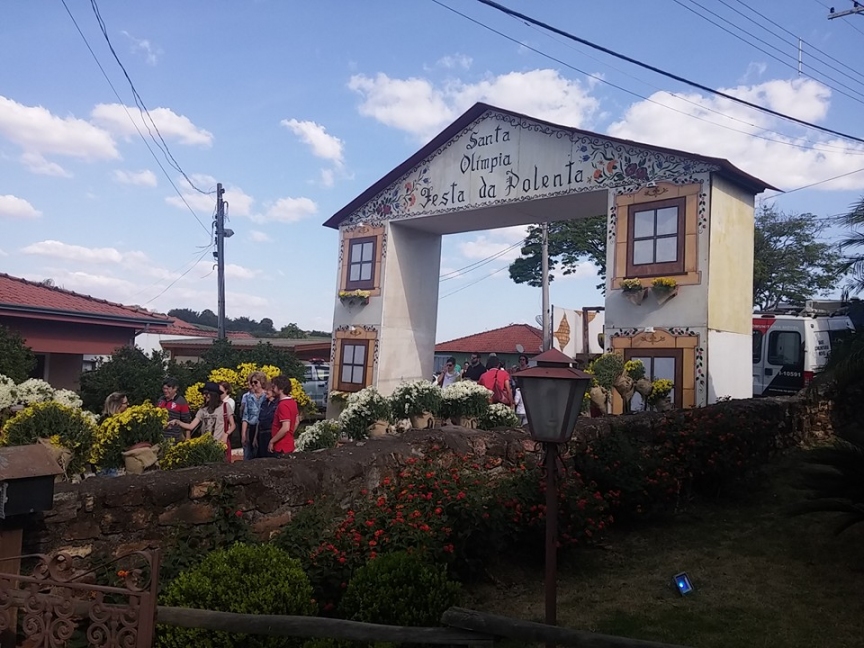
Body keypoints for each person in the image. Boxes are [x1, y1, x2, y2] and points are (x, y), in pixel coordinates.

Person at [169, 381, 236, 462]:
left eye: (206, 393)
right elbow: (191, 426)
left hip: (220, 445)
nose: (204, 396)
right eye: (203, 394)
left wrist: (226, 434)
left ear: (213, 394)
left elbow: (233, 425)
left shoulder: (225, 406)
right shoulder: (203, 410)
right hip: (206, 447)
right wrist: (178, 422)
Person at [240, 371, 267, 461]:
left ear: (261, 382)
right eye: (252, 382)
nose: (253, 384)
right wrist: (243, 434)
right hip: (251, 427)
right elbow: (245, 417)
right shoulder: (248, 397)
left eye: (255, 382)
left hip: (262, 428)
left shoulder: (266, 396)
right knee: (249, 456)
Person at [269, 375, 298, 456]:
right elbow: (296, 421)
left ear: (281, 388)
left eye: (274, 387)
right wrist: (290, 435)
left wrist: (272, 441)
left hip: (281, 447)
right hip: (288, 444)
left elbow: (285, 428)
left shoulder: (283, 405)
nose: (272, 389)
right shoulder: (293, 402)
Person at [157, 377, 192, 442]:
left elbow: (187, 421)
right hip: (160, 437)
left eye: (167, 389)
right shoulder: (160, 400)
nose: (165, 391)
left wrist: (188, 439)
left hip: (174, 438)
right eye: (164, 388)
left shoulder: (181, 401)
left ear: (175, 389)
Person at [255, 381, 278, 458]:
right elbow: (259, 421)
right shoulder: (263, 403)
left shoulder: (277, 404)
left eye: (268, 390)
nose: (265, 392)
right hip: (261, 434)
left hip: (271, 434)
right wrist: (255, 437)